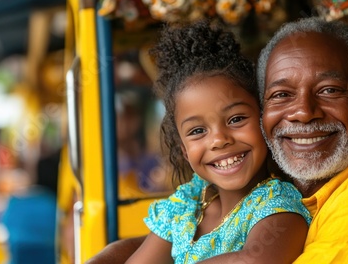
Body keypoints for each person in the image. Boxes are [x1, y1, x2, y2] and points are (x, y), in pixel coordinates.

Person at [86, 17, 348, 263]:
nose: (303, 112)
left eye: (329, 89)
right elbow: (181, 244)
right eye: (281, 95)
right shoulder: (282, 181)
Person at [125, 21, 311, 264]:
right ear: (183, 149)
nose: (219, 140)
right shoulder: (189, 204)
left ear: (264, 119)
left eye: (236, 119)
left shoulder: (278, 206)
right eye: (198, 131)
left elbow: (255, 260)